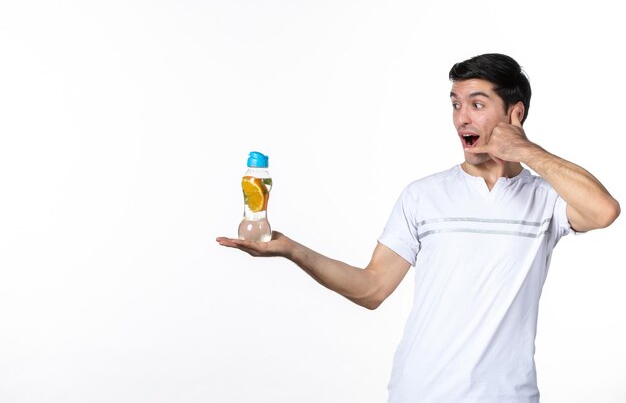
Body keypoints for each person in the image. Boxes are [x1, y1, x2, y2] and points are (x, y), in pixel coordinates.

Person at [216, 53, 620, 403]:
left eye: (477, 104)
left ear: (515, 113)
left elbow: (603, 211)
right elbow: (372, 288)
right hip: (421, 392)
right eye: (456, 103)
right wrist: (291, 249)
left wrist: (525, 150)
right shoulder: (423, 196)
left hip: (508, 395)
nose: (462, 116)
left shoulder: (545, 199)